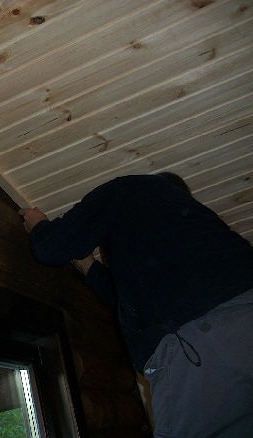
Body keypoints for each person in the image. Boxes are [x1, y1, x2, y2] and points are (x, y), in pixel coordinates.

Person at [19, 173, 253, 437]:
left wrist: (38, 225)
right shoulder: (203, 234)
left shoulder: (128, 189)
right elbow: (129, 300)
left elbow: (51, 248)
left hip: (204, 339)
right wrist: (89, 266)